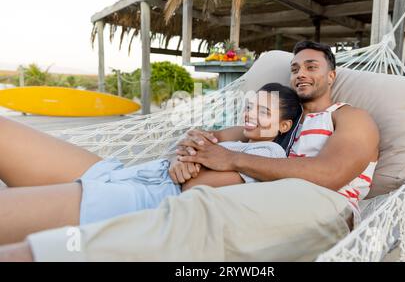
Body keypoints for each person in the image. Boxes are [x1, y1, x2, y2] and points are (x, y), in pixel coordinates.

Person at [0, 41, 380, 262]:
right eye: (295, 67)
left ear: (332, 75)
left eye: (311, 66)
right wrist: (189, 149)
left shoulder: (350, 117)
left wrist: (227, 158)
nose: (300, 72)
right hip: (141, 173)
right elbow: (207, 138)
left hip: (163, 195)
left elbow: (331, 174)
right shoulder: (278, 123)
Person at [0, 83, 301, 244]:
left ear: (284, 126)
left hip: (143, 201)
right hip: (130, 175)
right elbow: (190, 142)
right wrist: (181, 153)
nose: (250, 115)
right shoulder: (240, 138)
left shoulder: (269, 155)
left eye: (263, 112)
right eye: (250, 107)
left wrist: (188, 156)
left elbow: (197, 187)